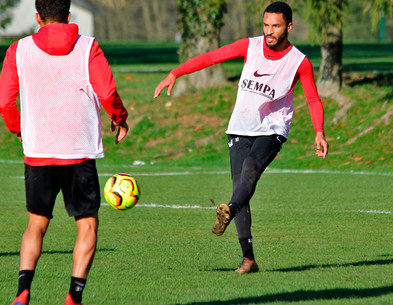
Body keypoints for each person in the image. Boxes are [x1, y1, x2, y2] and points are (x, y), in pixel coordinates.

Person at [154, 1, 328, 274]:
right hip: (239, 127)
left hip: (271, 129)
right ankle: (248, 258)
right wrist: (175, 73)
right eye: (266, 25)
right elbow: (211, 57)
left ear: (289, 27)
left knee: (251, 169)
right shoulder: (249, 46)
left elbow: (313, 98)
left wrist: (319, 131)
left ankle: (229, 209)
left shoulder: (299, 62)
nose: (269, 31)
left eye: (276, 26)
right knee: (240, 187)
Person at [0, 0, 129, 304]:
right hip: (79, 153)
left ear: (37, 17)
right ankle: (73, 297)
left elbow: (5, 102)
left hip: (38, 152)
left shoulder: (17, 50)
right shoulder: (88, 47)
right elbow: (107, 92)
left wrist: (21, 131)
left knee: (36, 223)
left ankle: (22, 291)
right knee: (87, 224)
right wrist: (119, 118)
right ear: (69, 16)